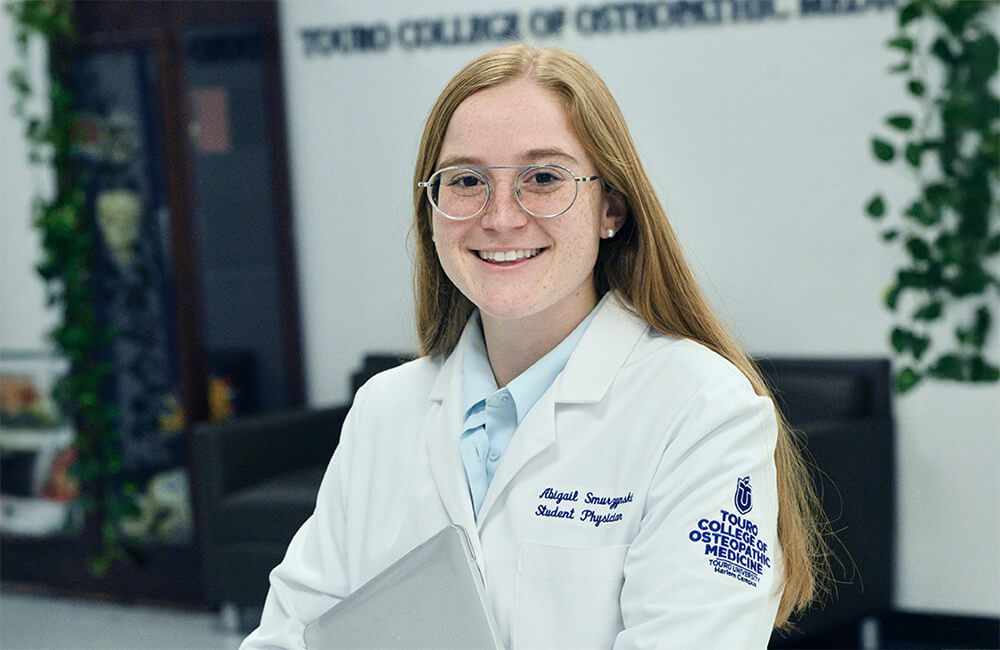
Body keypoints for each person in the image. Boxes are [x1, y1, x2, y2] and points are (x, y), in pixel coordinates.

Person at [242, 43, 826, 649]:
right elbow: (289, 635)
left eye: (543, 178)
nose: (500, 217)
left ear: (612, 209)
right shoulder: (384, 411)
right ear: (432, 209)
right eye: (466, 180)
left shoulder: (700, 407)